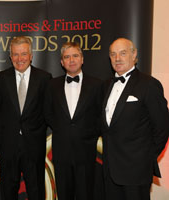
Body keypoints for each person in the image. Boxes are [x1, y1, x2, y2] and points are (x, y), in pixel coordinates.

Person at [102, 38, 169, 200]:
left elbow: (162, 127)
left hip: (136, 171)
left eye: (123, 53)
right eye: (113, 54)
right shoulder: (106, 86)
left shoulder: (149, 85)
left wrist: (145, 159)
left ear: (134, 54)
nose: (117, 58)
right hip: (110, 170)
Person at [0, 36, 52, 200]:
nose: (20, 59)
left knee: (36, 190)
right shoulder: (1, 78)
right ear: (10, 56)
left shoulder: (44, 78)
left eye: (24, 54)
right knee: (8, 190)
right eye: (15, 54)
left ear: (31, 55)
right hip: (8, 146)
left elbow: (48, 111)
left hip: (34, 146)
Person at [44, 42, 102, 200]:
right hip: (61, 152)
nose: (71, 60)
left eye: (75, 55)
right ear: (62, 62)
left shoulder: (97, 85)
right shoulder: (52, 85)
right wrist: (62, 130)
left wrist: (88, 134)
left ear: (82, 59)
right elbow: (47, 113)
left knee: (86, 194)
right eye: (67, 57)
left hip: (86, 151)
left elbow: (101, 115)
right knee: (63, 194)